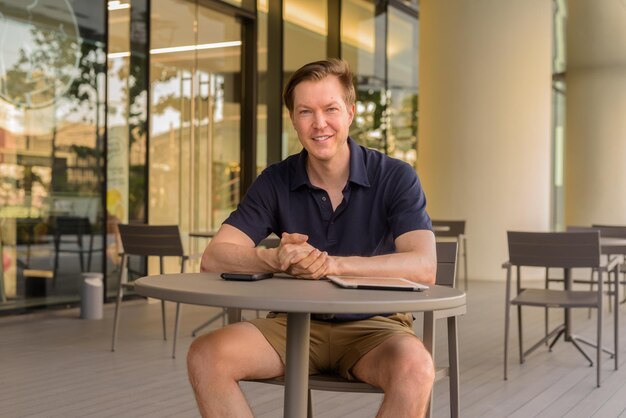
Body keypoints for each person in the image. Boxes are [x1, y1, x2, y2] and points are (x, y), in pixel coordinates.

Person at [187, 58, 436, 418]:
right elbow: (214, 257)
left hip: (376, 326)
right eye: (306, 112)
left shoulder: (396, 177)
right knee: (206, 355)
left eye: (330, 109)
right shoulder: (275, 180)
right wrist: (275, 258)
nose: (319, 124)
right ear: (293, 120)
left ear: (350, 112)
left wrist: (330, 265)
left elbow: (424, 266)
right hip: (293, 324)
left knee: (416, 368)